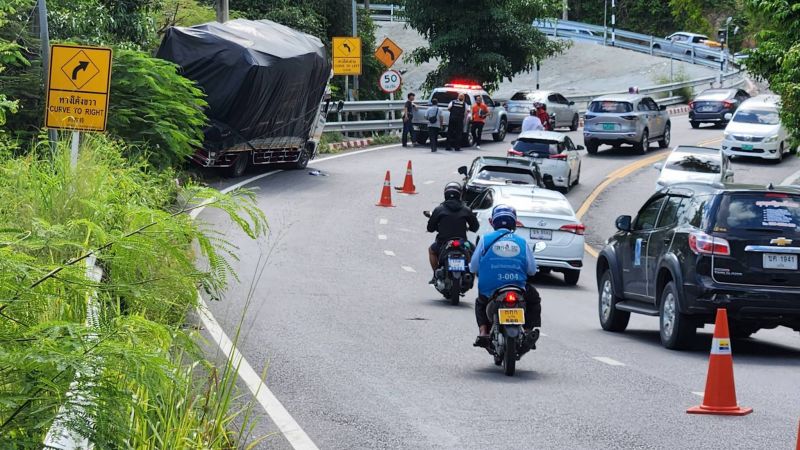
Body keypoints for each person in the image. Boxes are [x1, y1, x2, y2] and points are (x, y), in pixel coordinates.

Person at [469, 205, 541, 349]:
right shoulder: (522, 242)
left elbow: (473, 267)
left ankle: (483, 333)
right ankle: (528, 331)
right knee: (534, 300)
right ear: (514, 223)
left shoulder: (485, 240)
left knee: (480, 303)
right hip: (518, 288)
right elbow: (532, 270)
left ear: (493, 222)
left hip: (490, 289)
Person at [426, 182, 480, 283]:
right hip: (462, 243)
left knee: (431, 250)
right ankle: (470, 274)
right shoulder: (466, 209)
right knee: (474, 251)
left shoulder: (439, 209)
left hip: (443, 243)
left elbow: (430, 228)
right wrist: (469, 227)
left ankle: (436, 275)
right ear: (459, 195)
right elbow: (475, 227)